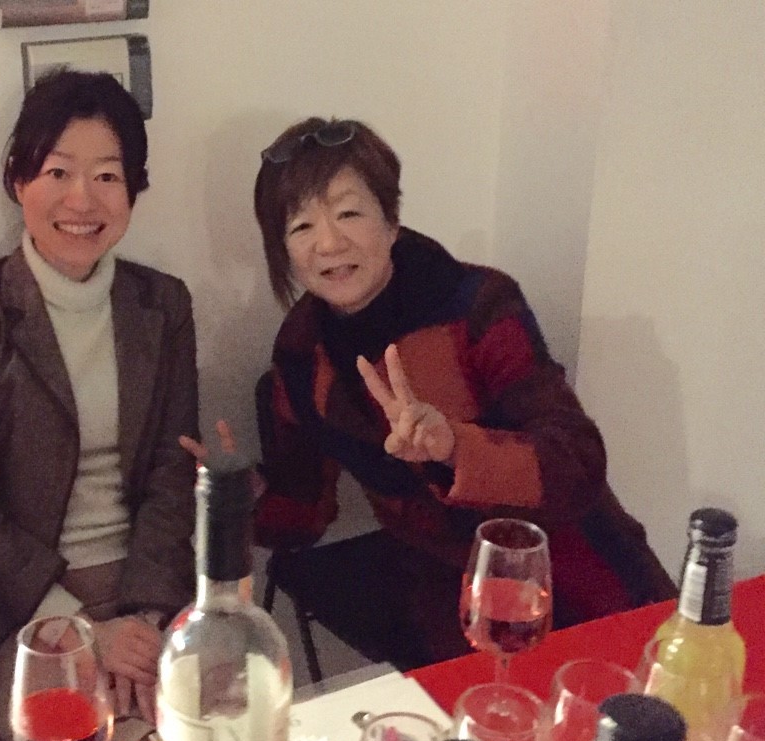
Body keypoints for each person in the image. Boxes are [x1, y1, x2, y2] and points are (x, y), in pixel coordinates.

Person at [244, 117, 675, 668]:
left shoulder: (476, 305)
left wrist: (453, 448)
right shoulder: (302, 353)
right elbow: (304, 515)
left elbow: (578, 462)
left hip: (577, 568)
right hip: (450, 592)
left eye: (349, 213)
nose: (329, 242)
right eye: (301, 225)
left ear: (391, 221)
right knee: (481, 720)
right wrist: (240, 493)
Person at [0, 70, 198, 741]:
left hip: (149, 585)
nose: (82, 200)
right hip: (18, 604)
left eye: (108, 176)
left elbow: (173, 471)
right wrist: (81, 628)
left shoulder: (163, 304)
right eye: (58, 172)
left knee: (218, 737)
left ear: (133, 190)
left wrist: (144, 622)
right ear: (18, 179)